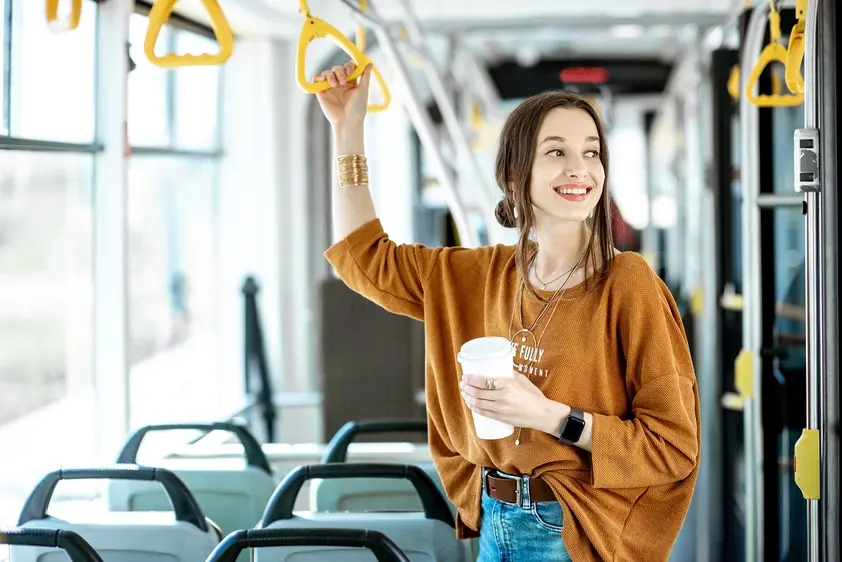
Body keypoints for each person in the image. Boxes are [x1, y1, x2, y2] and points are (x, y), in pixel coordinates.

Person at [314, 61, 700, 562]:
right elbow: (362, 256)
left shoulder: (628, 285)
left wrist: (550, 416)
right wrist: (347, 129)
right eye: (556, 152)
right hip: (492, 521)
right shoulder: (473, 277)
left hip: (576, 530)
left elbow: (672, 447)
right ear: (515, 176)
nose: (579, 168)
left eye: (591, 152)